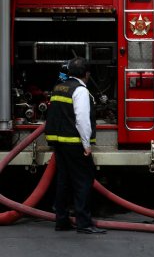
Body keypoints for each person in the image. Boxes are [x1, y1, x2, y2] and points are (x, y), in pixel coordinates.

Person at [45, 57, 106, 234]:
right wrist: (86, 144)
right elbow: (82, 120)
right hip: (75, 143)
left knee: (63, 181)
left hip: (59, 143)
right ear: (86, 74)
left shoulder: (58, 88)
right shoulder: (80, 90)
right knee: (83, 182)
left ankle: (61, 220)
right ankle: (84, 223)